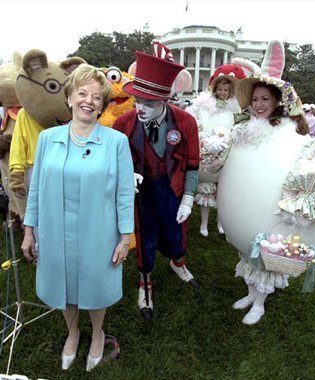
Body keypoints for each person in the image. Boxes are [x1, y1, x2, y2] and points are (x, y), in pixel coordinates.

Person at [215, 40, 315, 325]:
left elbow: (302, 168)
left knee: (266, 255)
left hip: (277, 215)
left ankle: (260, 302)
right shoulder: (245, 131)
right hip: (246, 211)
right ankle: (251, 293)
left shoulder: (289, 135)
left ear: (278, 101)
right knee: (249, 252)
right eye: (255, 99)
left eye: (265, 99)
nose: (259, 104)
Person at [21, 64, 134, 372]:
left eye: (97, 97)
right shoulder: (47, 139)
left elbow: (125, 193)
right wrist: (30, 231)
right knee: (64, 284)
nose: (89, 101)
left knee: (96, 285)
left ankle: (97, 333)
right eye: (82, 93)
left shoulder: (116, 142)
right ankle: (73, 331)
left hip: (99, 231)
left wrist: (125, 237)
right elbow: (36, 190)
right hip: (55, 230)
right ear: (69, 97)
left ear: (103, 104)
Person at [113, 49, 200, 320]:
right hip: (141, 193)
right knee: (145, 237)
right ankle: (145, 283)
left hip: (172, 188)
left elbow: (193, 162)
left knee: (176, 234)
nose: (140, 108)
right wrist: (124, 177)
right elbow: (113, 162)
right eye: (138, 100)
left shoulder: (185, 122)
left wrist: (188, 197)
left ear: (164, 100)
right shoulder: (122, 124)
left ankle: (178, 262)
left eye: (148, 103)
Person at [186, 75, 240, 237]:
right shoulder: (202, 105)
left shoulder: (235, 107)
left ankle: (220, 222)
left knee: (223, 190)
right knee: (207, 188)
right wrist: (205, 138)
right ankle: (204, 223)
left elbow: (238, 125)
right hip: (207, 150)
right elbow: (193, 119)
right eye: (220, 89)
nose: (223, 92)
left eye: (226, 90)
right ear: (215, 89)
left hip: (228, 152)